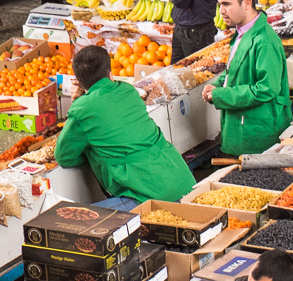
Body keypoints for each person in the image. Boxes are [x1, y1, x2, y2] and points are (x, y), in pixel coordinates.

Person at [55, 46, 196, 210]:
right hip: (183, 181)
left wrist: (90, 153)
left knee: (83, 222)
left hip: (146, 196)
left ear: (77, 81)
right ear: (110, 73)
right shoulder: (128, 90)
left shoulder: (82, 109)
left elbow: (63, 156)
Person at [202, 0, 291, 156]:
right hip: (242, 128)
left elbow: (266, 88)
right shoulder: (242, 34)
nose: (221, 11)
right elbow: (236, 72)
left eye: (227, 4)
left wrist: (221, 94)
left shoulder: (265, 41)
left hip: (258, 134)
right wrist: (217, 86)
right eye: (220, 5)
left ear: (247, 3)